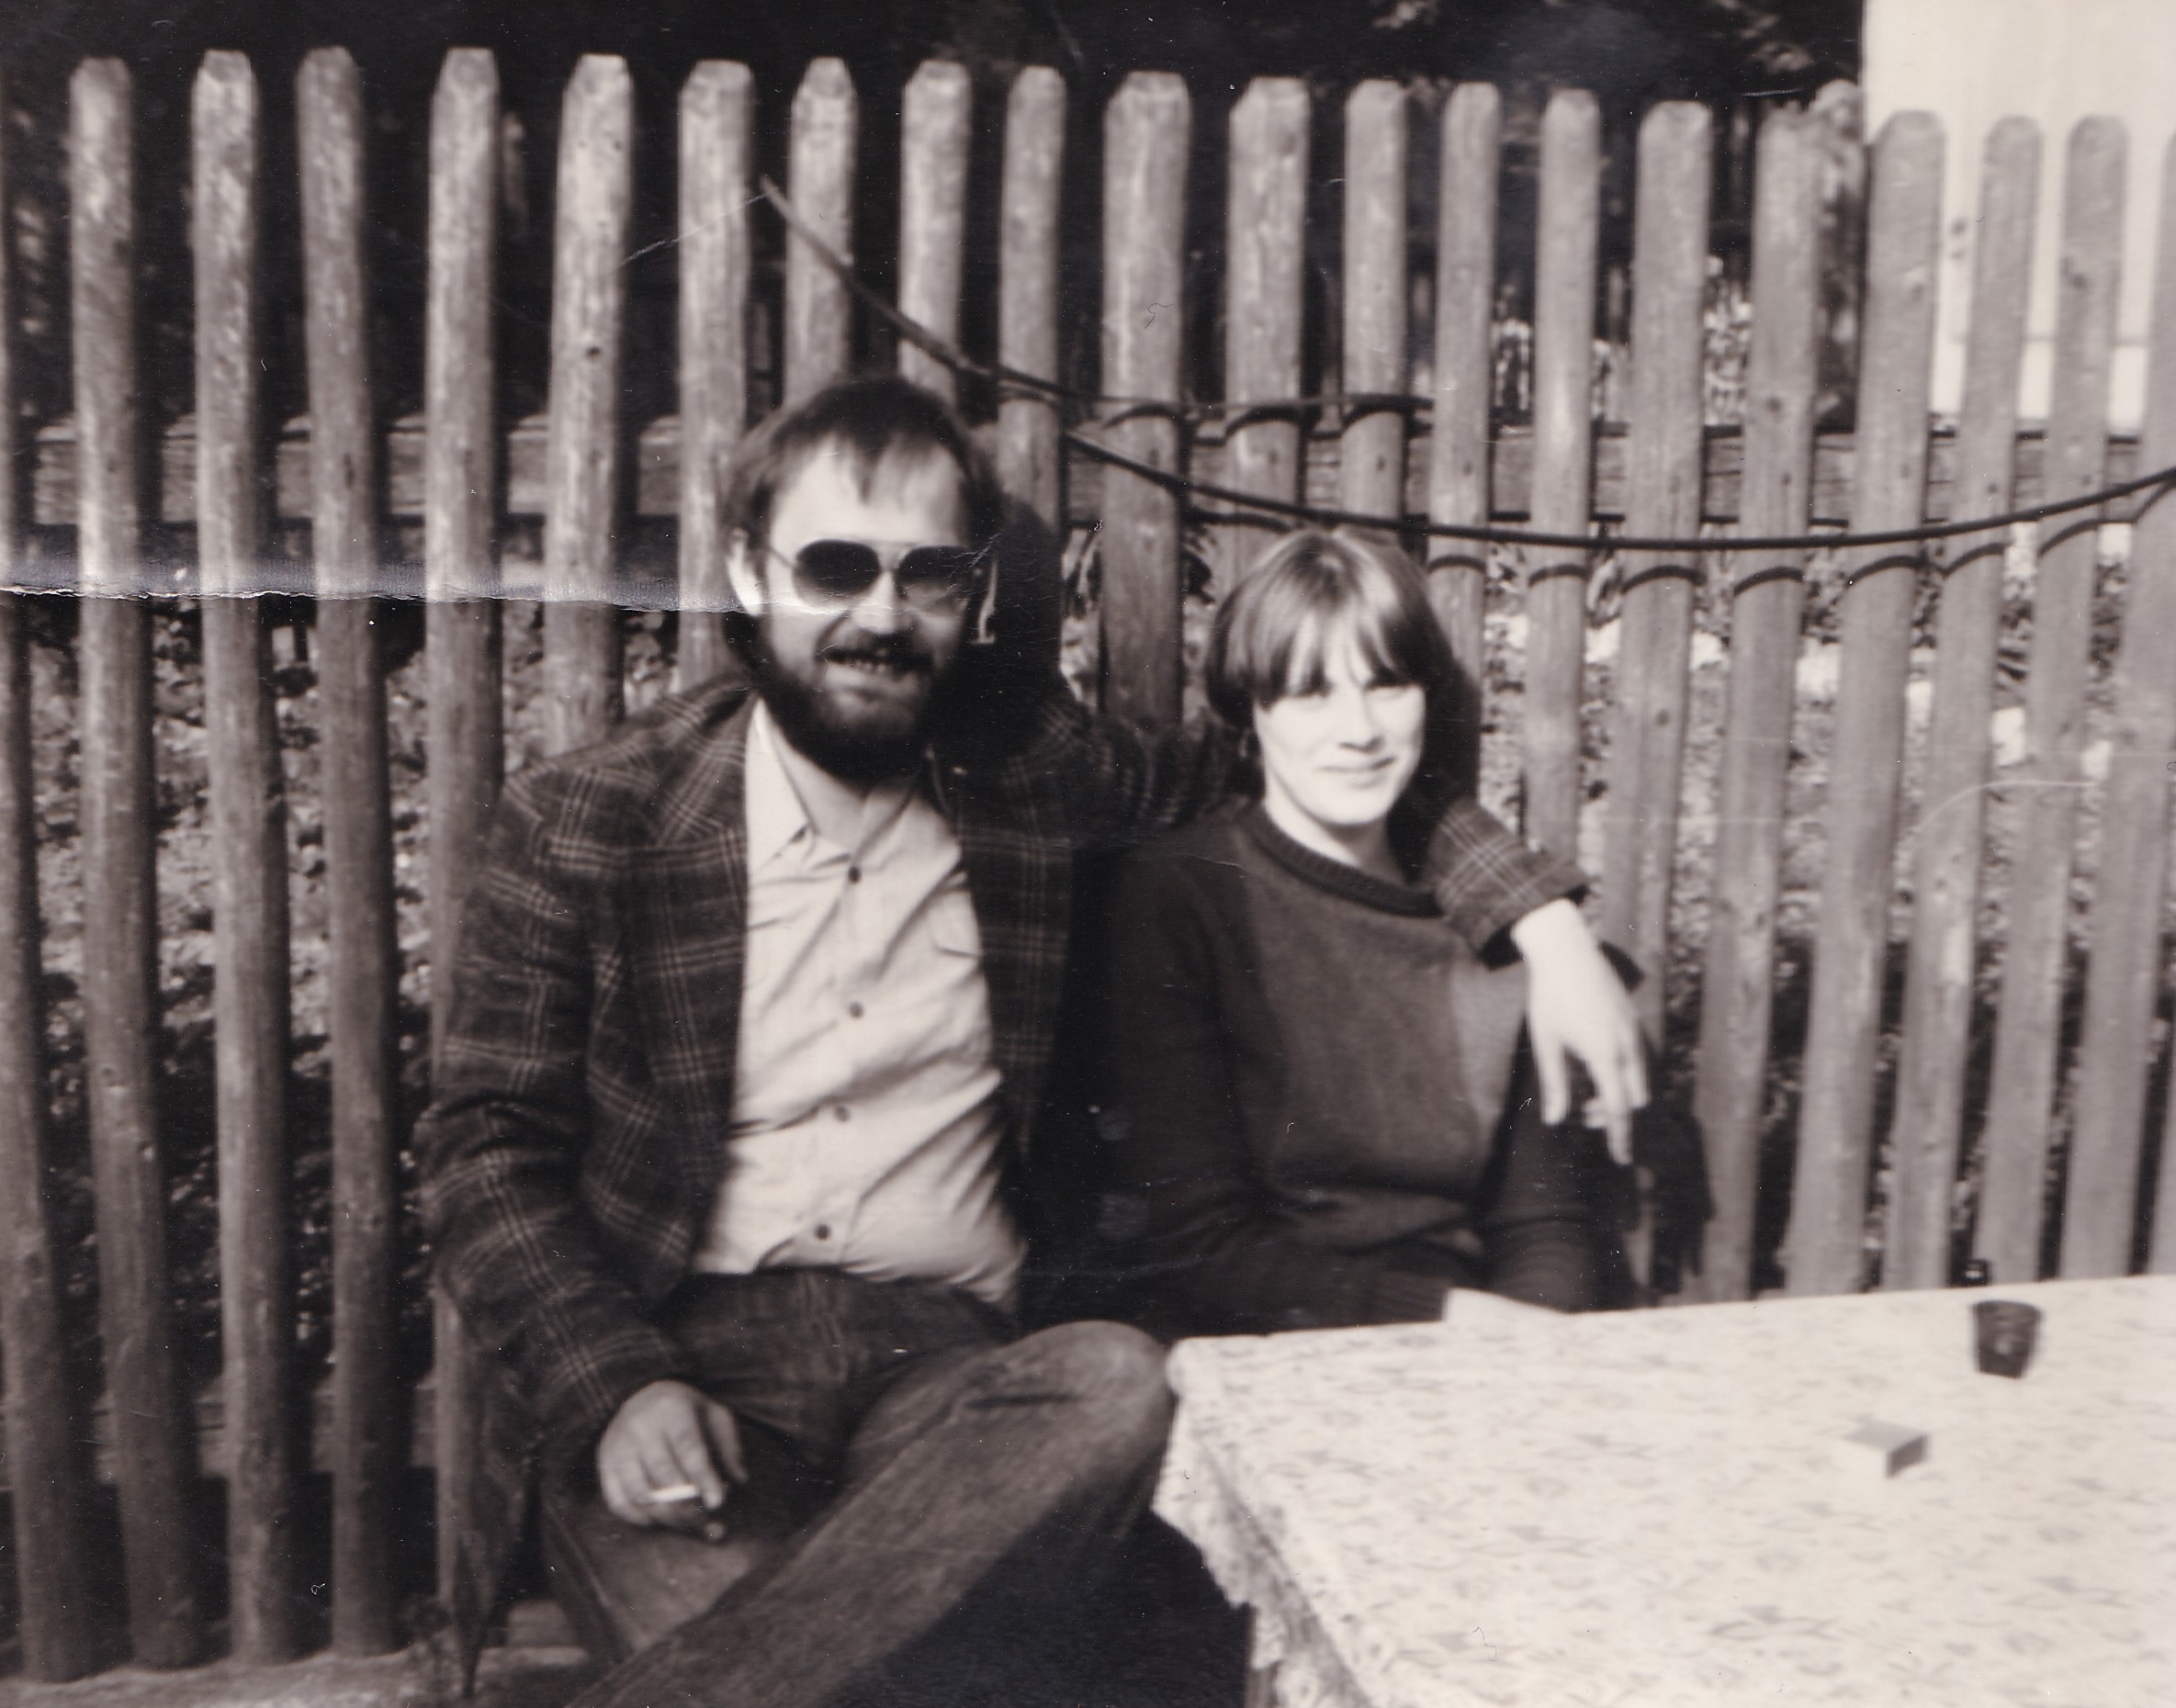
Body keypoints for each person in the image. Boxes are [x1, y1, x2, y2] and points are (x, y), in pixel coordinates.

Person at [416, 377, 1647, 1707]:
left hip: (963, 1382)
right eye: (835, 568)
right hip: (686, 1368)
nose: (883, 616)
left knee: (1118, 1380)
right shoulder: (594, 817)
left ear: (975, 598)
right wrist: (614, 1388)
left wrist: (1539, 924)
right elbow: (485, 1153)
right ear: (748, 574)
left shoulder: (1026, 777)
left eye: (928, 575)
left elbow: (1305, 752)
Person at [1106, 531, 1629, 1341]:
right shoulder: (1180, 898)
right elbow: (1198, 1244)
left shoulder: (1506, 929)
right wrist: (1454, 1324)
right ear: (1250, 710)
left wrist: (1526, 1350)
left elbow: (1543, 1225)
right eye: (1311, 692)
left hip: (1480, 1349)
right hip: (1262, 1342)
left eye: (1386, 684)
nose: (1358, 730)